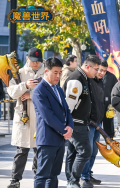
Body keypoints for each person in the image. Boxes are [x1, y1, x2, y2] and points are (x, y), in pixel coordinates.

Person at [6, 48, 45, 188]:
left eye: (38, 61)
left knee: (39, 150)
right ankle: (15, 180)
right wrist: (25, 85)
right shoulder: (19, 73)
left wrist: (31, 94)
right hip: (24, 118)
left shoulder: (47, 72)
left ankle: (38, 178)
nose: (35, 64)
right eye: (33, 61)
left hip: (40, 117)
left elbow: (51, 92)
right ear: (27, 59)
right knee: (21, 151)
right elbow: (11, 92)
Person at [32, 57, 74, 188]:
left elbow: (66, 110)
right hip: (47, 139)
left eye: (60, 72)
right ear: (46, 71)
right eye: (55, 72)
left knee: (54, 174)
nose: (58, 75)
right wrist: (64, 130)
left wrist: (70, 127)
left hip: (60, 138)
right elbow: (48, 116)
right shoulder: (39, 90)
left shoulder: (58, 89)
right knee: (42, 175)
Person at [63, 55, 100, 188]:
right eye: (96, 69)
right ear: (87, 66)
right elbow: (69, 105)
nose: (97, 72)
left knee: (73, 153)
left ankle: (71, 181)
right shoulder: (77, 79)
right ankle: (73, 181)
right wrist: (68, 124)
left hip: (80, 122)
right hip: (75, 123)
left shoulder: (85, 78)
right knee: (85, 152)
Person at [80, 60, 106, 186]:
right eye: (99, 70)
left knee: (94, 151)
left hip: (98, 123)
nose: (100, 73)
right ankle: (84, 177)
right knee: (87, 150)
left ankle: (88, 173)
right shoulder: (87, 81)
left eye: (104, 71)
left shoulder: (100, 82)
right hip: (88, 123)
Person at [101, 60, 118, 138]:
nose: (102, 72)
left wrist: (114, 104)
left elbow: (116, 91)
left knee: (109, 124)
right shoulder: (94, 76)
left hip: (109, 105)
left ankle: (110, 141)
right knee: (96, 125)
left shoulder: (111, 77)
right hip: (97, 105)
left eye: (104, 69)